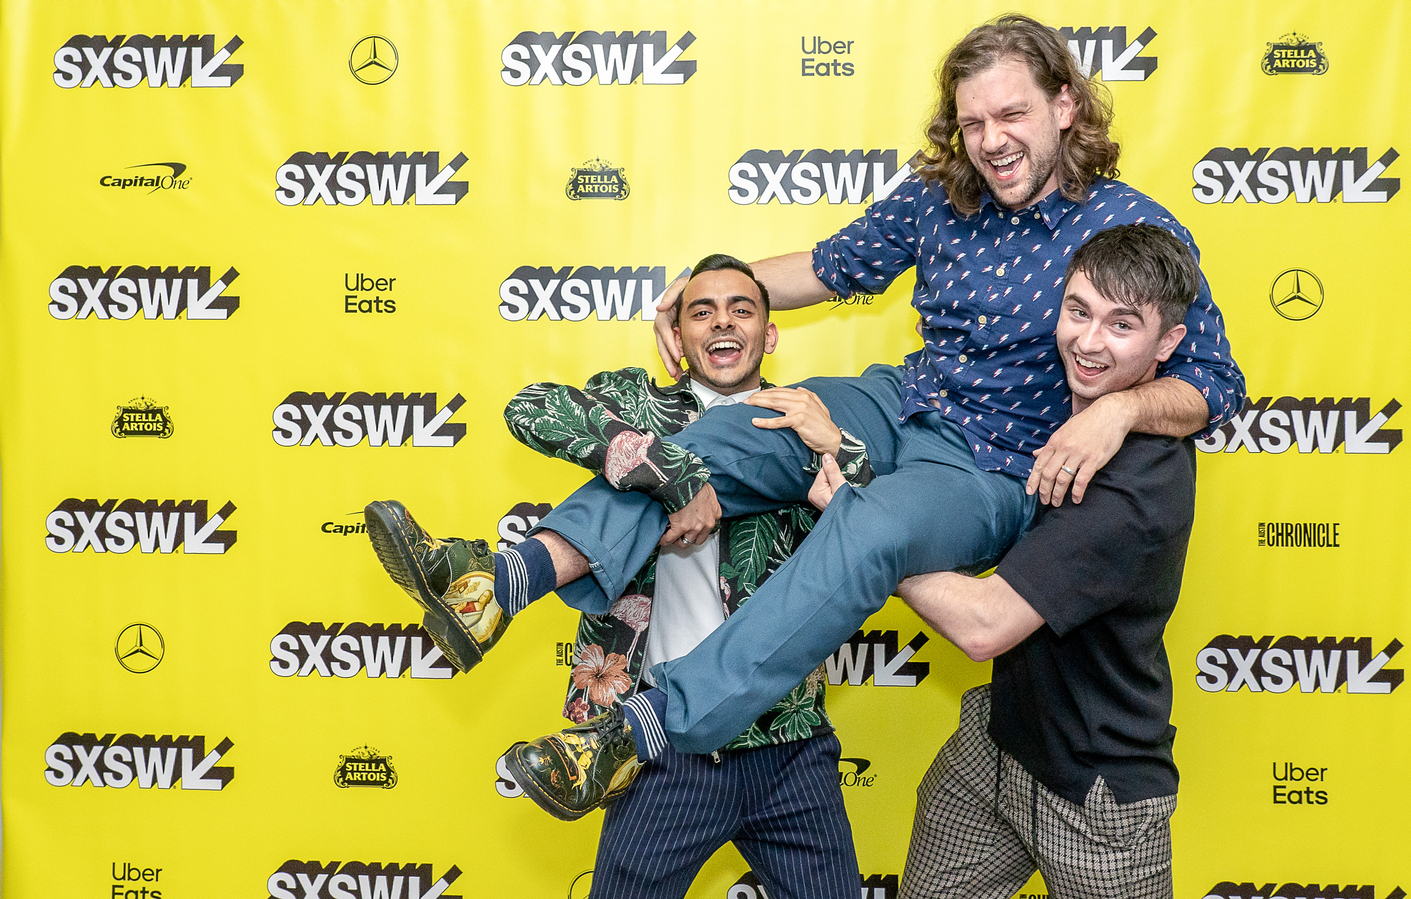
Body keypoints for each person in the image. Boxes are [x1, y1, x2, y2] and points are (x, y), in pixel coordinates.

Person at [399, 13, 1244, 818]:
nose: (991, 140)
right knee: (731, 430)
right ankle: (500, 582)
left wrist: (1120, 408)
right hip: (899, 399)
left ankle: (642, 729)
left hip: (988, 466)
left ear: (1065, 105)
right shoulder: (942, 194)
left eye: (1011, 114)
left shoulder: (1131, 227)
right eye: (972, 122)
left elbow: (1216, 381)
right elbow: (827, 266)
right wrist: (701, 284)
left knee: (868, 528)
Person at [368, 255, 867, 899]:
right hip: (655, 744)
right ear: (676, 336)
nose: (723, 323)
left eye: (741, 310)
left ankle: (502, 581)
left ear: (769, 334)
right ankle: (498, 583)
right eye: (702, 312)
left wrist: (838, 447)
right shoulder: (640, 403)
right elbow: (531, 408)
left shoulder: (805, 422)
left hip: (786, 742)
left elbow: (884, 533)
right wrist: (672, 476)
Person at [810, 223, 1198, 898]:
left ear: (1167, 344)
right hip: (997, 740)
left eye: (1121, 324)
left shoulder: (1138, 487)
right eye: (1078, 311)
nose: (1089, 341)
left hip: (1095, 787)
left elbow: (984, 624)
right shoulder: (1039, 404)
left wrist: (858, 521)